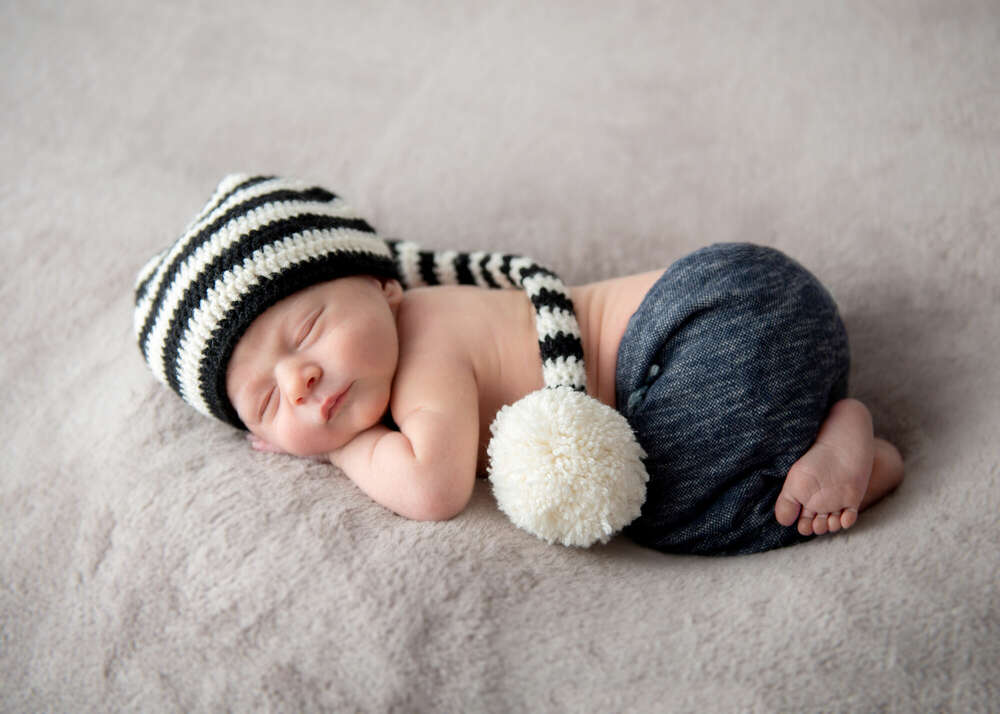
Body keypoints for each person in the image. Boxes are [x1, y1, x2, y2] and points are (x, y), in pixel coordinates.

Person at [134, 174, 903, 556]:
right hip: (745, 302)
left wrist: (343, 446)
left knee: (655, 508)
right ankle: (812, 426)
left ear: (381, 286)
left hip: (707, 328)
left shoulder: (429, 339)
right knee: (664, 466)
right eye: (265, 402)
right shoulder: (412, 337)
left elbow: (432, 488)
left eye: (307, 327)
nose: (299, 380)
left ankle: (853, 450)